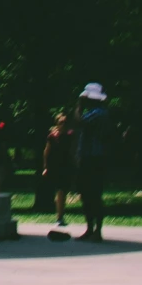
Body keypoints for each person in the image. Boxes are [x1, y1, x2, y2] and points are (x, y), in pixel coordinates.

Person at [75, 82, 110, 240]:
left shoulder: (97, 113)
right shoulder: (101, 112)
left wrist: (78, 105)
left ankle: (95, 229)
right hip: (94, 157)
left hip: (92, 158)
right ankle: (92, 228)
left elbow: (79, 121)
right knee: (89, 194)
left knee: (92, 194)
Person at [42, 109, 76, 228]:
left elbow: (73, 150)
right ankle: (59, 217)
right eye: (61, 123)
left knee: (64, 191)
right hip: (56, 167)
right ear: (57, 124)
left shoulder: (70, 135)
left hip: (67, 165)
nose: (63, 125)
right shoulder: (52, 137)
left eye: (65, 123)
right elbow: (46, 152)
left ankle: (61, 215)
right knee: (60, 191)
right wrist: (45, 167)